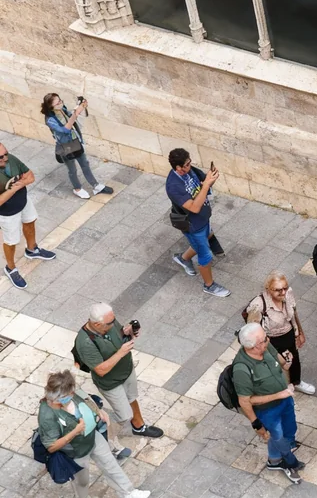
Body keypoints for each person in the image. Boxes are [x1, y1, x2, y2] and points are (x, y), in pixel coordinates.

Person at [37, 370, 150, 498]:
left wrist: (99, 411)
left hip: (92, 436)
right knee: (82, 482)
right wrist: (75, 431)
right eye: (70, 394)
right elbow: (51, 446)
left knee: (111, 465)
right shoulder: (47, 416)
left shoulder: (71, 391)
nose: (73, 394)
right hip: (76, 451)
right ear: (58, 398)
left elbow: (85, 397)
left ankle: (128, 492)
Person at [73, 303, 164, 459]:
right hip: (111, 382)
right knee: (123, 416)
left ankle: (139, 425)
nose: (113, 323)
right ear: (96, 324)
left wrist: (126, 332)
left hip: (126, 370)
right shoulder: (85, 343)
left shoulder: (108, 321)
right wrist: (121, 353)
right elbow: (100, 370)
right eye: (110, 323)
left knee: (132, 397)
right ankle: (104, 442)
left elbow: (118, 334)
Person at [232, 323, 304, 484]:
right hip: (267, 410)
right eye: (264, 339)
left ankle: (274, 458)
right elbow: (245, 400)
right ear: (254, 346)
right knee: (277, 436)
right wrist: (257, 425)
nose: (268, 340)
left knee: (290, 428)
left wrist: (287, 362)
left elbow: (279, 361)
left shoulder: (265, 346)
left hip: (285, 400)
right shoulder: (242, 369)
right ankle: (287, 462)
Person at [164, 148, 230, 297]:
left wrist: (210, 179)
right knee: (205, 255)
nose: (190, 165)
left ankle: (183, 258)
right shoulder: (173, 187)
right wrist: (206, 185)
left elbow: (203, 182)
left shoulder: (189, 170)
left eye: (189, 162)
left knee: (202, 239)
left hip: (203, 217)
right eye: (187, 164)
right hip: (193, 224)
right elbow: (193, 207)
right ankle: (209, 286)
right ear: (178, 168)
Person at [244, 272, 315, 395]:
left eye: (285, 288)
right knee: (277, 366)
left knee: (294, 359)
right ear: (268, 289)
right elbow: (253, 331)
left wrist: (300, 332)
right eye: (278, 290)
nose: (283, 292)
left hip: (288, 334)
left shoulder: (288, 293)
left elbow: (294, 312)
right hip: (271, 340)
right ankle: (283, 391)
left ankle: (296, 382)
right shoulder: (258, 305)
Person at [0, 142, 55, 290]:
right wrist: (14, 189)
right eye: (1, 157)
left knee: (30, 221)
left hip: (23, 201)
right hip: (7, 213)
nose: (5, 158)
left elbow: (30, 176)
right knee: (11, 241)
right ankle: (10, 268)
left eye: (6, 153)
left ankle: (32, 250)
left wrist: (21, 183)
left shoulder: (11, 159)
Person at [42, 93, 112, 200]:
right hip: (65, 147)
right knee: (72, 169)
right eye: (58, 103)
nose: (61, 103)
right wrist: (76, 114)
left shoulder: (62, 109)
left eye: (61, 100)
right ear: (51, 107)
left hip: (75, 142)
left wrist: (81, 107)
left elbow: (70, 116)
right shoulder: (50, 120)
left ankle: (95, 186)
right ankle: (77, 188)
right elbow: (65, 130)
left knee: (85, 164)